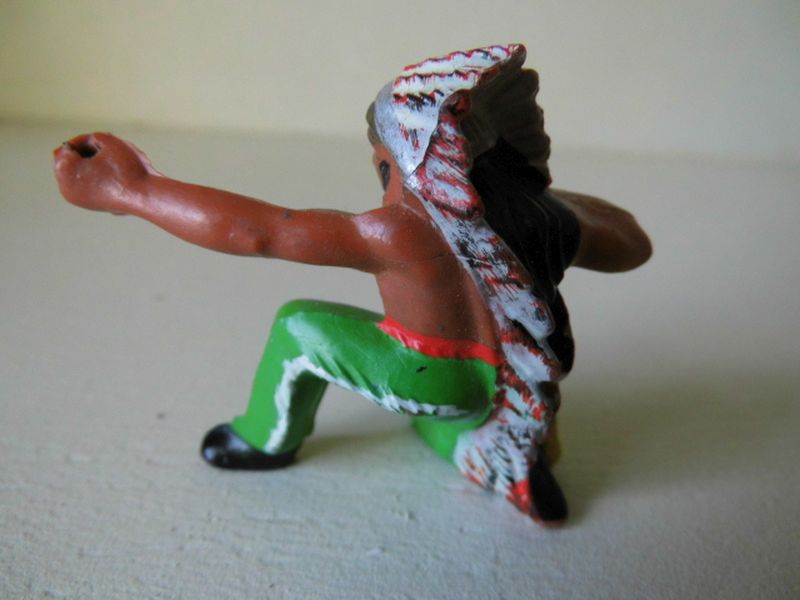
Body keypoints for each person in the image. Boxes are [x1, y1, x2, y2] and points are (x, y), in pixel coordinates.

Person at [53, 44, 651, 524]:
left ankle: (263, 439)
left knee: (298, 325)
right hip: (505, 384)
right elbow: (632, 245)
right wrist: (541, 204)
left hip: (432, 377)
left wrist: (135, 190)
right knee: (518, 362)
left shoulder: (400, 231)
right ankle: (517, 455)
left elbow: (264, 232)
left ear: (399, 160)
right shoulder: (546, 220)